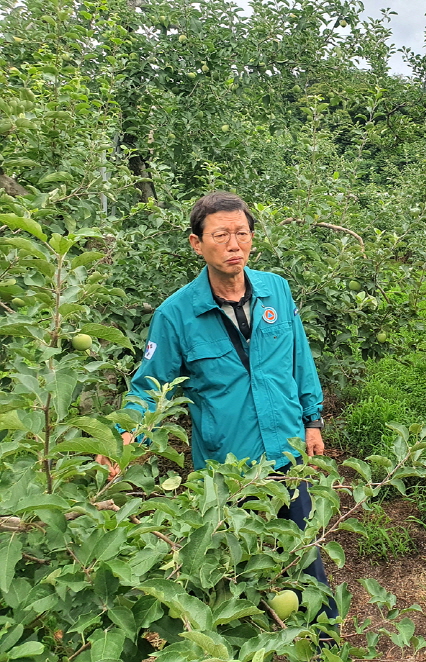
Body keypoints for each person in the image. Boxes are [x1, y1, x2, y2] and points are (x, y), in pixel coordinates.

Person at [99, 190, 337, 619]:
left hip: (286, 450)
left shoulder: (276, 291)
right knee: (233, 567)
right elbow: (149, 385)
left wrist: (312, 420)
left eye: (242, 234)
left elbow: (299, 358)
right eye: (221, 235)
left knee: (304, 555)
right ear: (197, 243)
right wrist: (124, 437)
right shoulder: (177, 314)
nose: (234, 245)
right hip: (227, 467)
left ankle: (325, 640)